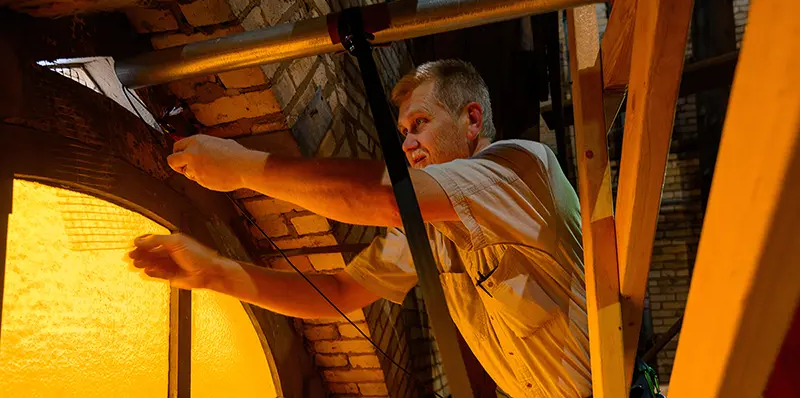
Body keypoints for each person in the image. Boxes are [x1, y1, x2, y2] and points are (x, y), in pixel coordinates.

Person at [129, 60, 591, 397]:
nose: (408, 144)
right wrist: (214, 273)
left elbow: (391, 199)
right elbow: (340, 291)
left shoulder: (521, 167)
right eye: (403, 132)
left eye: (420, 124)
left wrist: (245, 167)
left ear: (471, 120)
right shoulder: (429, 229)